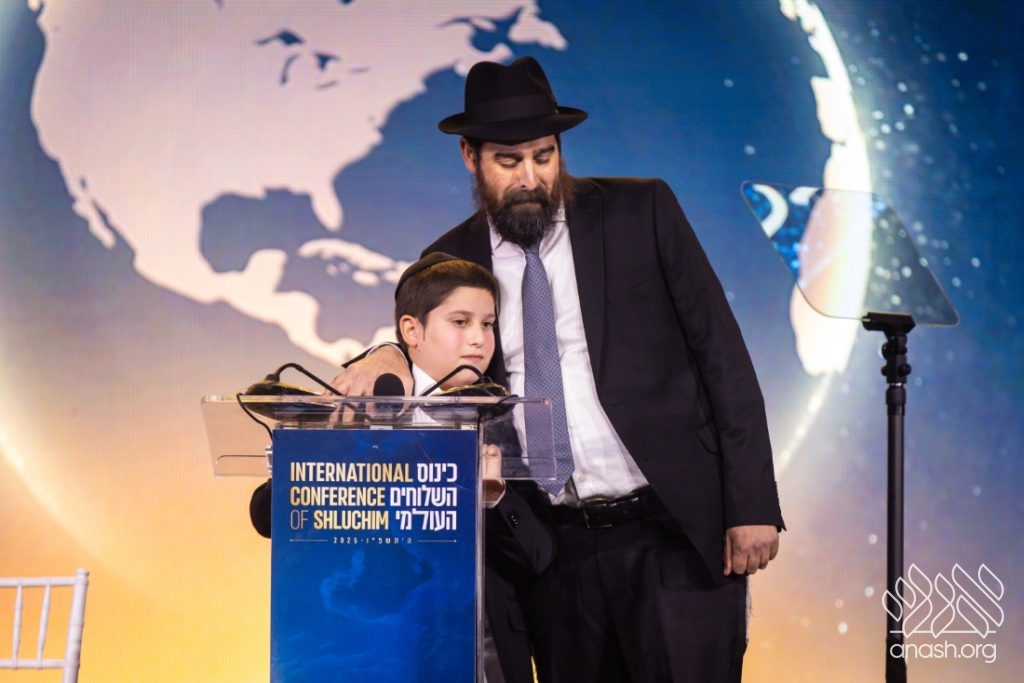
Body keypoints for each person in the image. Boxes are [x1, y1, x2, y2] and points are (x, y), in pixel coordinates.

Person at [333, 56, 785, 683]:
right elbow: (424, 346)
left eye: (543, 157)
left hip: (672, 530)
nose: (531, 178)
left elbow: (722, 353)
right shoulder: (451, 256)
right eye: (508, 161)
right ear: (469, 157)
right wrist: (384, 353)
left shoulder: (641, 211)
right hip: (553, 551)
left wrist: (752, 504)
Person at [252, 252, 554, 683]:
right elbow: (268, 518)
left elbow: (540, 556)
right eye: (461, 322)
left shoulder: (505, 419)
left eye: (488, 324)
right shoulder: (356, 408)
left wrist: (496, 496)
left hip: (482, 653)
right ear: (412, 330)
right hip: (363, 650)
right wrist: (308, 461)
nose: (479, 339)